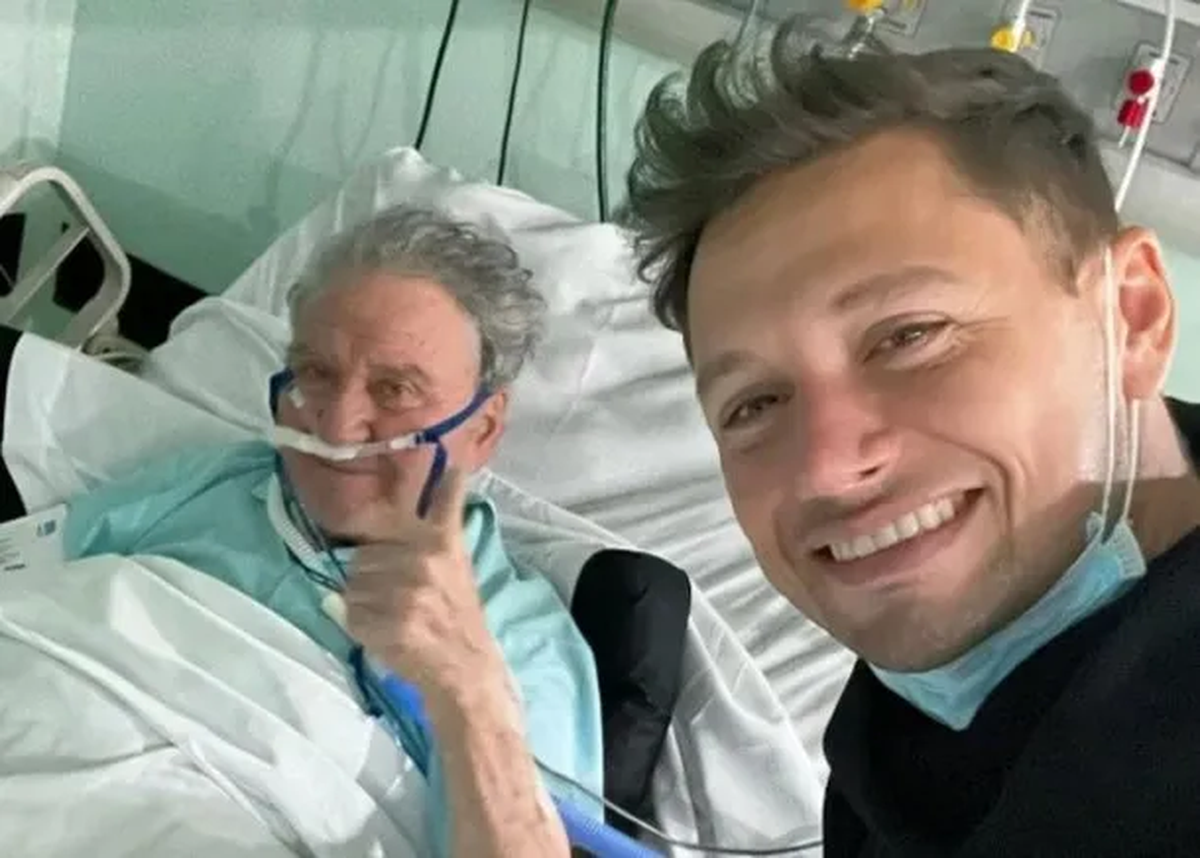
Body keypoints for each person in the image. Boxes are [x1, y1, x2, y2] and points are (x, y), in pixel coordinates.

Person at [618, 19, 1200, 857]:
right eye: (754, 404)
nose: (826, 466)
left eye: (908, 336)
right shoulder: (894, 744)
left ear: (1130, 316)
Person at [63, 205, 603, 857]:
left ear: (482, 429)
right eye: (316, 373)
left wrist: (467, 692)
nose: (338, 427)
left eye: (395, 389)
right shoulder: (209, 484)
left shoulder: (521, 651)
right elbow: (38, 588)